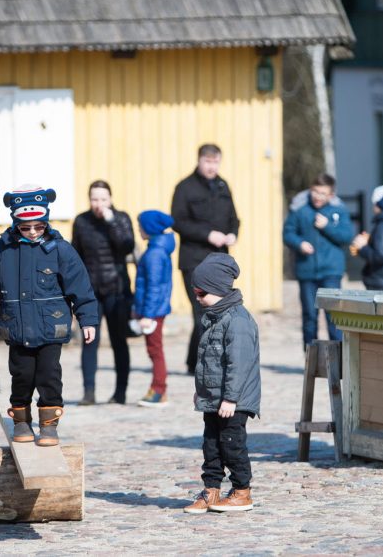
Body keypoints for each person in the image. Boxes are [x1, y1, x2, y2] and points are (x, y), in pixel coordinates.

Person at [0, 185, 98, 447]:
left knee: (49, 374)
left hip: (51, 325)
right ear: (16, 224)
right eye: (26, 228)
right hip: (17, 326)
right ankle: (21, 420)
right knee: (22, 375)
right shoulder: (0, 250)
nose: (33, 232)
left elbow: (80, 287)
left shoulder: (61, 249)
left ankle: (49, 424)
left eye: (38, 227)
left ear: (46, 223)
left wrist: (88, 319)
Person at [182, 253, 261, 514]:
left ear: (217, 289)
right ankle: (211, 490)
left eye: (202, 293)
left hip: (233, 401)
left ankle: (242, 491)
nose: (198, 297)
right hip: (213, 398)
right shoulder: (212, 318)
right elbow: (207, 362)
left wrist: (231, 398)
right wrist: (201, 392)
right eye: (195, 292)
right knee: (211, 445)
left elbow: (238, 364)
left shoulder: (237, 321)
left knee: (232, 444)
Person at [171, 144, 240, 374]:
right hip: (194, 260)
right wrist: (207, 234)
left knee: (218, 310)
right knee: (202, 311)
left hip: (220, 260)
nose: (212, 167)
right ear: (199, 161)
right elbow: (178, 222)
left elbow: (233, 217)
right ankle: (204, 364)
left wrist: (233, 233)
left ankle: (194, 361)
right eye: (208, 162)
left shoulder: (222, 186)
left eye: (215, 162)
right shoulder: (185, 187)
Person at [71, 180, 135, 405]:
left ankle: (120, 392)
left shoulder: (121, 218)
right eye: (94, 199)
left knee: (119, 340)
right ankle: (89, 392)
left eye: (103, 199)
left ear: (110, 199)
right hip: (90, 292)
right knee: (89, 341)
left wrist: (112, 222)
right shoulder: (81, 221)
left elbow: (127, 246)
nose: (98, 204)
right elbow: (75, 256)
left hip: (116, 290)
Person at [282, 173, 353, 347]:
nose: (318, 196)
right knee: (309, 316)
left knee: (334, 315)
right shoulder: (300, 209)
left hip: (331, 272)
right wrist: (300, 244)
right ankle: (310, 359)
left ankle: (339, 358)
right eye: (315, 191)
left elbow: (347, 236)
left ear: (331, 195)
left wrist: (327, 226)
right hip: (307, 272)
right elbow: (287, 233)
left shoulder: (339, 211)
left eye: (322, 193)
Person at [132, 210, 176, 408]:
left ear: (149, 229)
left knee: (155, 350)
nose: (138, 229)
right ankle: (159, 389)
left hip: (154, 312)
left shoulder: (154, 254)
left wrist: (147, 315)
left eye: (140, 226)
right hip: (153, 310)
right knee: (154, 349)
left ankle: (159, 389)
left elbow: (154, 287)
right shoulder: (156, 250)